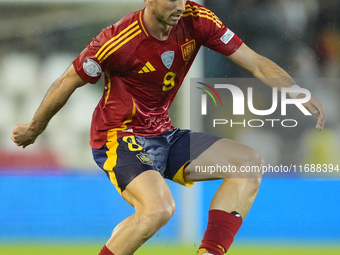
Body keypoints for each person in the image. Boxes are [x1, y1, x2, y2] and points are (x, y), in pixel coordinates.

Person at [11, 1, 326, 255]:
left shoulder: (197, 18)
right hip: (118, 137)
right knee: (159, 209)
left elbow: (255, 61)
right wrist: (35, 128)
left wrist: (295, 92)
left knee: (248, 163)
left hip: (163, 133)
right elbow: (69, 80)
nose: (180, 4)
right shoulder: (116, 39)